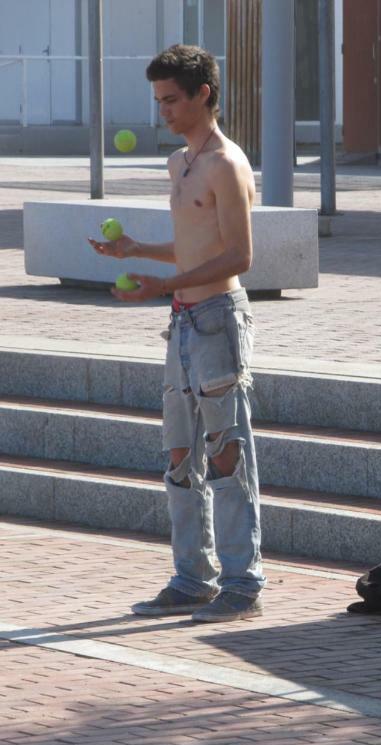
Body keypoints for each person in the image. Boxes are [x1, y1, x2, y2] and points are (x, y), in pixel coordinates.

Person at [89, 44, 265, 623]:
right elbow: (194, 243)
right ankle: (194, 576)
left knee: (227, 456)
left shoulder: (226, 164)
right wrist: (137, 250)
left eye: (171, 100)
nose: (162, 110)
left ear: (202, 95)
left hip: (217, 320)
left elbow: (240, 256)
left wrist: (161, 287)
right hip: (184, 323)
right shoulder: (180, 162)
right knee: (178, 455)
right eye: (158, 100)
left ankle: (243, 583)